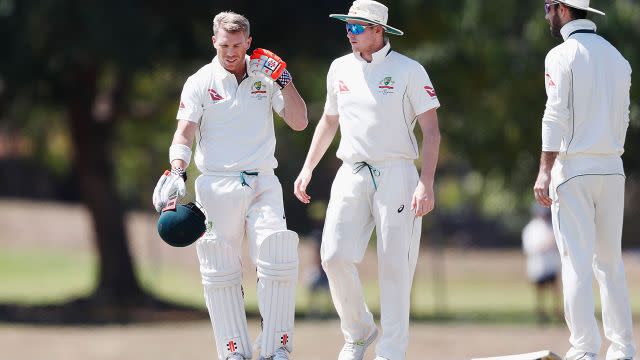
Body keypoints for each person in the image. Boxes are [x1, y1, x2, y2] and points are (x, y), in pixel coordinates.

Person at [152, 11, 308, 360]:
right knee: (220, 269)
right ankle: (233, 350)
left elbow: (299, 122)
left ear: (248, 42)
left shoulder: (266, 76)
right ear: (214, 43)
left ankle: (275, 347)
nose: (232, 52)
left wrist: (285, 80)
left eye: (238, 45)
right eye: (224, 45)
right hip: (216, 185)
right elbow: (185, 132)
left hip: (262, 180)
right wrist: (177, 169)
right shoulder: (200, 81)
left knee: (276, 253)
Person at [293, 1, 441, 359]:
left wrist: (426, 183)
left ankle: (390, 353)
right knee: (332, 256)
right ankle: (358, 332)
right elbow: (329, 121)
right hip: (352, 170)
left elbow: (432, 132)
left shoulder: (410, 70)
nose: (350, 32)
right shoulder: (338, 68)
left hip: (398, 173)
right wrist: (308, 167)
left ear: (379, 31)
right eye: (348, 26)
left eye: (358, 27)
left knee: (395, 267)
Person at [533, 1, 635, 359]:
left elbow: (554, 113)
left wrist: (545, 169)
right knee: (610, 264)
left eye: (549, 6)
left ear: (563, 9)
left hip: (573, 169)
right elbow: (623, 117)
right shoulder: (618, 58)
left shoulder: (560, 55)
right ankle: (622, 350)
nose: (546, 12)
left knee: (576, 262)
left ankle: (584, 350)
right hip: (612, 169)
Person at [522, 203, 561, 324]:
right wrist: (545, 246)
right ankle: (541, 314)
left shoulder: (552, 226)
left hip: (551, 264)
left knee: (555, 290)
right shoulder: (531, 228)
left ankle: (557, 313)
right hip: (538, 265)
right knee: (540, 291)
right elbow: (529, 247)